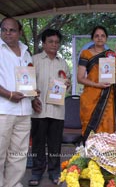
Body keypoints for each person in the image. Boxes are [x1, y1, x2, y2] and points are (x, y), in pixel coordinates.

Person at [29, 29, 71, 186]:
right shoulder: (35, 60)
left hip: (57, 111)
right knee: (38, 143)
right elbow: (27, 83)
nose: (54, 44)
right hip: (38, 110)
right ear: (44, 43)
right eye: (50, 41)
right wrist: (33, 98)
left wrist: (67, 85)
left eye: (56, 42)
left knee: (55, 144)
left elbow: (68, 84)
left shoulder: (63, 63)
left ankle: (54, 172)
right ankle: (37, 172)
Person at [0, 17, 36, 187]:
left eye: (12, 30)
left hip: (24, 110)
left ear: (20, 32)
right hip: (4, 110)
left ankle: (13, 184)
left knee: (18, 154)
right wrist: (8, 94)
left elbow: (27, 79)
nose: (7, 33)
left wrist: (34, 95)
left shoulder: (26, 52)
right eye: (4, 29)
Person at [77, 26, 116, 142]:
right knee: (93, 129)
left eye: (102, 36)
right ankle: (91, 157)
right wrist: (97, 84)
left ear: (106, 38)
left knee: (110, 128)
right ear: (92, 38)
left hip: (111, 97)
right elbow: (80, 78)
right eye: (97, 36)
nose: (100, 38)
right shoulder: (86, 54)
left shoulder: (111, 55)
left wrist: (115, 68)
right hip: (92, 96)